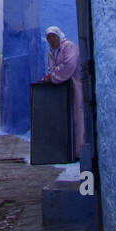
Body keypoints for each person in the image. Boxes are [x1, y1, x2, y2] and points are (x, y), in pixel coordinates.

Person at [42, 25, 84, 155]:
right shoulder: (51, 51)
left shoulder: (68, 47)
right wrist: (52, 75)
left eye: (53, 37)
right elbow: (51, 68)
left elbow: (69, 66)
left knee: (78, 116)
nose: (51, 40)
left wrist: (53, 76)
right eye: (48, 38)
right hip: (61, 87)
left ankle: (79, 150)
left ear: (59, 36)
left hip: (75, 84)